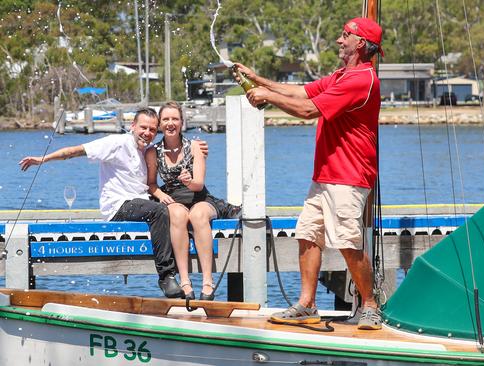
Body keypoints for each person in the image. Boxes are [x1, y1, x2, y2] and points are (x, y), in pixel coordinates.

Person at [233, 17, 384, 330]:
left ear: (361, 44)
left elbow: (307, 110)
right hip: (326, 175)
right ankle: (307, 304)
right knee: (308, 234)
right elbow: (301, 92)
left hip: (349, 175)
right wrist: (257, 79)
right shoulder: (343, 75)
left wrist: (266, 97)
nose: (340, 40)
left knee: (347, 241)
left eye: (346, 35)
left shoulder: (362, 80)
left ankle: (370, 305)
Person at [18, 108, 201, 298]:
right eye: (143, 128)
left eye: (152, 130)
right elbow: (75, 151)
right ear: (133, 126)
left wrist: (197, 147)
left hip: (141, 202)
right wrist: (43, 159)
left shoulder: (148, 150)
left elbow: (173, 150)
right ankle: (166, 276)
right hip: (119, 205)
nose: (147, 133)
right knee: (158, 211)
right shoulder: (116, 143)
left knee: (175, 205)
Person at [145, 101, 240, 300]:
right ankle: (185, 281)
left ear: (182, 122)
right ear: (160, 124)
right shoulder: (154, 152)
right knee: (177, 214)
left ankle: (207, 282)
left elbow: (198, 184)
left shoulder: (195, 147)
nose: (171, 123)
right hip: (173, 198)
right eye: (166, 119)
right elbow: (151, 184)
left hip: (199, 196)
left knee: (198, 215)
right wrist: (162, 196)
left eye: (175, 119)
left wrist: (188, 181)